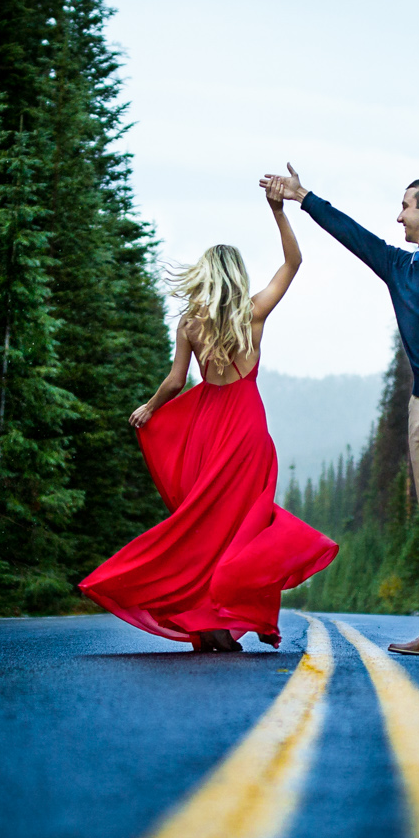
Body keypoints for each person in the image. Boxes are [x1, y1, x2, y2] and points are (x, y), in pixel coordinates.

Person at [259, 163, 419, 660]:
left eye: (404, 206)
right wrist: (303, 196)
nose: (398, 217)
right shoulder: (402, 267)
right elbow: (354, 236)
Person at [79, 184, 339, 651]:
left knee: (203, 527)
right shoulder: (254, 312)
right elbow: (293, 264)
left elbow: (177, 382)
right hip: (246, 429)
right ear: (236, 276)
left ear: (205, 276)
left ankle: (208, 622)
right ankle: (223, 615)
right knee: (242, 526)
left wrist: (151, 408)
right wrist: (278, 213)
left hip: (206, 429)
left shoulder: (189, 323)